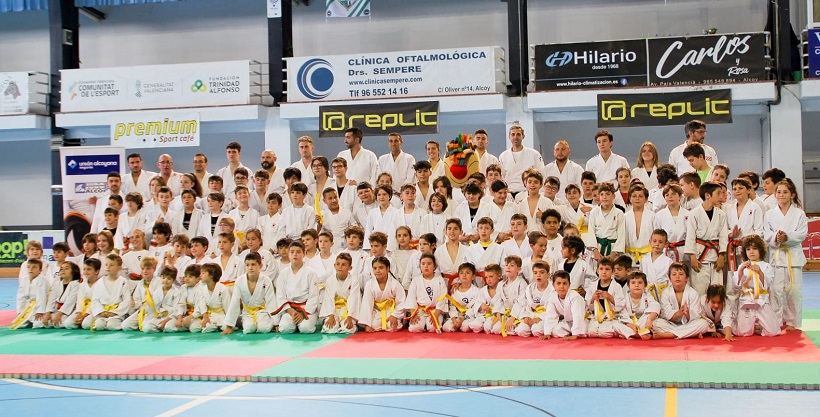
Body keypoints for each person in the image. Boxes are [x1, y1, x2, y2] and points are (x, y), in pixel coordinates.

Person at [763, 178, 807, 331]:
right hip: (776, 257)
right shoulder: (769, 214)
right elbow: (766, 233)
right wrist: (776, 237)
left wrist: (786, 237)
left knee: (794, 291)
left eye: (785, 192)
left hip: (793, 257)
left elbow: (802, 234)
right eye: (779, 192)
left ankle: (792, 322)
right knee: (775, 291)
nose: (781, 195)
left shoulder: (799, 214)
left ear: (792, 195)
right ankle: (776, 320)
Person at [684, 182, 728, 296]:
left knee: (717, 291)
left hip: (715, 257)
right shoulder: (694, 213)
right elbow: (690, 236)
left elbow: (723, 236)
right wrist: (692, 257)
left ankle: (716, 314)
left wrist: (722, 256)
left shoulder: (721, 214)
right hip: (699, 258)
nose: (721, 197)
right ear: (708, 195)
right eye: (718, 193)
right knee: (700, 292)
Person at [734, 235, 780, 337]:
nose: (751, 252)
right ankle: (752, 325)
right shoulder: (743, 266)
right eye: (748, 249)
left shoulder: (766, 266)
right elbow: (737, 285)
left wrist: (760, 273)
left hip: (761, 302)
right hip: (746, 302)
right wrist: (740, 271)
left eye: (755, 248)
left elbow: (767, 283)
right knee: (743, 333)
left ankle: (760, 327)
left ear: (761, 250)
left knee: (773, 332)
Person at [654, 262, 713, 339]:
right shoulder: (666, 293)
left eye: (681, 274)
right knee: (655, 323)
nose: (677, 277)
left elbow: (696, 316)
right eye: (674, 274)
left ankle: (670, 334)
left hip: (689, 324)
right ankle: (690, 334)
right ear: (670, 278)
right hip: (672, 324)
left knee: (703, 324)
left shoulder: (693, 293)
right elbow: (666, 315)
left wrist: (688, 313)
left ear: (687, 278)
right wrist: (679, 313)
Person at [222, 252, 277, 334]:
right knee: (249, 329)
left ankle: (268, 321)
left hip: (261, 311)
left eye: (253, 264)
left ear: (260, 266)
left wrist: (276, 323)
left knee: (264, 329)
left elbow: (271, 301)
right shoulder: (239, 281)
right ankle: (242, 320)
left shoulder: (266, 280)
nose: (250, 268)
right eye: (247, 265)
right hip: (247, 312)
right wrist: (229, 325)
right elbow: (235, 302)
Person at [274, 241, 320, 334]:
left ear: (304, 254)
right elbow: (280, 296)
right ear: (288, 254)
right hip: (290, 309)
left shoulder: (311, 273)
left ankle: (302, 324)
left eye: (298, 252)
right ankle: (295, 324)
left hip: (306, 309)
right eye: (292, 252)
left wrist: (303, 313)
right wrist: (291, 312)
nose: (295, 254)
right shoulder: (283, 274)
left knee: (306, 328)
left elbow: (314, 296)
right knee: (285, 329)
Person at [359, 256, 406, 332]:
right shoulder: (369, 284)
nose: (377, 271)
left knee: (392, 326)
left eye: (381, 268)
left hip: (391, 310)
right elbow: (367, 304)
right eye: (375, 268)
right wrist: (367, 325)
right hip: (377, 311)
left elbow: (401, 302)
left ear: (388, 269)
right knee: (374, 326)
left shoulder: (395, 284)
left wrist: (394, 315)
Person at [84, 253, 131, 331]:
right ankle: (102, 321)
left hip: (116, 313)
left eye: (111, 265)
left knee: (112, 326)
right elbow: (95, 300)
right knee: (89, 325)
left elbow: (126, 301)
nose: (108, 267)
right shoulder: (100, 281)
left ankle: (111, 321)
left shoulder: (123, 282)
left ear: (119, 268)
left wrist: (114, 312)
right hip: (102, 312)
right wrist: (101, 311)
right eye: (106, 265)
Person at [404, 254, 448, 333]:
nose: (426, 266)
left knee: (433, 328)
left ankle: (431, 323)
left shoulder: (439, 280)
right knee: (414, 329)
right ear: (420, 266)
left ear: (434, 266)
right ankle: (423, 325)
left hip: (435, 311)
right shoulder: (416, 280)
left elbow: (443, 298)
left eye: (429, 263)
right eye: (423, 264)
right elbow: (411, 298)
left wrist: (436, 314)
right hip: (419, 311)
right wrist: (413, 315)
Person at [584, 257, 626, 338]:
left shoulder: (616, 286)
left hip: (611, 317)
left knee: (604, 333)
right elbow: (588, 304)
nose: (604, 272)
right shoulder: (592, 286)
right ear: (597, 271)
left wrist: (610, 297)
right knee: (591, 333)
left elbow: (621, 304)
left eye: (607, 269)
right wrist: (593, 298)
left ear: (613, 272)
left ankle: (615, 330)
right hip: (596, 316)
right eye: (601, 269)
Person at [320, 252, 362, 334]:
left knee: (347, 328)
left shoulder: (354, 280)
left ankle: (350, 324)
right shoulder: (330, 280)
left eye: (344, 264)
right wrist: (331, 315)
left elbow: (354, 298)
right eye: (338, 264)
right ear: (334, 265)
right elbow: (328, 299)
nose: (340, 267)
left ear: (350, 267)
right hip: (334, 310)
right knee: (329, 329)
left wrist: (350, 316)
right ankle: (335, 322)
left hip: (348, 311)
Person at [612, 271, 661, 340]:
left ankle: (631, 334)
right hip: (629, 324)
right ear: (628, 286)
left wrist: (649, 319)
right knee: (615, 325)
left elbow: (655, 306)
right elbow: (622, 314)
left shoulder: (648, 296)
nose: (636, 285)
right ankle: (640, 334)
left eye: (640, 283)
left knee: (656, 322)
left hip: (644, 322)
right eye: (633, 283)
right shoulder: (624, 298)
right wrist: (631, 325)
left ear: (645, 285)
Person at [540, 270, 587, 340]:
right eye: (558, 283)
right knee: (555, 331)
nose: (561, 286)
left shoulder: (575, 297)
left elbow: (578, 316)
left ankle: (576, 332)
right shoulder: (552, 297)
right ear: (553, 285)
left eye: (564, 283)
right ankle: (571, 332)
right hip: (568, 322)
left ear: (569, 285)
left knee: (594, 331)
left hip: (582, 320)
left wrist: (575, 334)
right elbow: (550, 315)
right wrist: (547, 333)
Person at [498, 125, 544, 196]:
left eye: (518, 134)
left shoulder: (534, 154)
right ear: (509, 137)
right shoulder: (503, 156)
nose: (515, 137)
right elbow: (501, 176)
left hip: (527, 192)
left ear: (523, 136)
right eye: (513, 134)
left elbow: (541, 174)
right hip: (508, 192)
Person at [513, 261, 553, 337]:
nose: (538, 275)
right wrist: (526, 316)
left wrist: (540, 318)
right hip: (531, 314)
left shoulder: (553, 289)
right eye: (535, 273)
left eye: (542, 272)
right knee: (521, 331)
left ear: (548, 275)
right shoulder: (529, 288)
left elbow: (554, 309)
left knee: (537, 330)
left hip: (546, 316)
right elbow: (525, 305)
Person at [586, 183, 625, 258]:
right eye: (602, 194)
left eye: (607, 194)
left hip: (613, 249)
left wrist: (613, 254)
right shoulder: (594, 212)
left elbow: (621, 235)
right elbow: (591, 232)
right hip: (597, 249)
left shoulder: (619, 213)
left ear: (613, 196)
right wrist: (595, 251)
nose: (604, 197)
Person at [441, 262, 481, 333]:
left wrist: (463, 318)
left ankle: (461, 324)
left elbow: (474, 308)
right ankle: (456, 324)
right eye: (461, 273)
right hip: (457, 316)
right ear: (458, 275)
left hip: (468, 316)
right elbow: (452, 307)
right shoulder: (454, 290)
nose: (464, 275)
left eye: (468, 273)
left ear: (473, 277)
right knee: (446, 327)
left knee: (465, 327)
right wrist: (454, 319)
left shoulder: (477, 291)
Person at [11, 258, 48, 329]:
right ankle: (29, 320)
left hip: (40, 307)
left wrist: (40, 312)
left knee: (38, 325)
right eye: (28, 267)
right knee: (17, 324)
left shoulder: (42, 280)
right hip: (28, 308)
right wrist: (20, 312)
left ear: (40, 270)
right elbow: (20, 297)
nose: (31, 269)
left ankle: (34, 320)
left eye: (34, 267)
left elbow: (42, 297)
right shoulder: (24, 280)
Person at [65, 258, 101, 329]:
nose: (85, 272)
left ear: (97, 271)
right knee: (68, 324)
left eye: (89, 269)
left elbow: (96, 302)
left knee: (86, 325)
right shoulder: (82, 285)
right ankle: (80, 321)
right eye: (84, 269)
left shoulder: (101, 284)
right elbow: (79, 300)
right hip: (82, 310)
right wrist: (79, 313)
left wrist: (85, 315)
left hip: (94, 310)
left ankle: (85, 321)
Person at [497, 255, 528, 337]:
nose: (508, 267)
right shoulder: (501, 284)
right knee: (494, 328)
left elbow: (521, 302)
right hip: (505, 313)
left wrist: (512, 318)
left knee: (521, 331)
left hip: (518, 314)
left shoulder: (522, 283)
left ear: (519, 269)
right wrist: (498, 315)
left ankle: (515, 325)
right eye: (507, 265)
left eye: (512, 265)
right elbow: (498, 301)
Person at [624, 184, 654, 266]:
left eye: (640, 196)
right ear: (630, 198)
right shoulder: (625, 217)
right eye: (634, 196)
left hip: (648, 254)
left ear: (646, 199)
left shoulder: (653, 216)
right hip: (629, 255)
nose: (637, 198)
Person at [641, 229, 674, 301]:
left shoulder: (668, 261)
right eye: (654, 241)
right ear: (650, 242)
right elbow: (641, 276)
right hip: (647, 292)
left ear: (666, 244)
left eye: (660, 242)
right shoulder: (644, 259)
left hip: (663, 293)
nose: (657, 244)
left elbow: (671, 280)